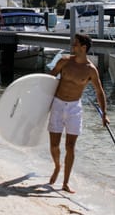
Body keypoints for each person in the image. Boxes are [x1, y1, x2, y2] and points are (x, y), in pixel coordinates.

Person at [47, 33, 109, 193]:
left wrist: (104, 114)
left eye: (75, 44)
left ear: (83, 48)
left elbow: (99, 92)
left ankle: (65, 183)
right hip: (58, 104)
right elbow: (48, 79)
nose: (72, 46)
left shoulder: (91, 70)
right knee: (54, 145)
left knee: (70, 146)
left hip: (74, 108)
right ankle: (57, 166)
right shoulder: (64, 62)